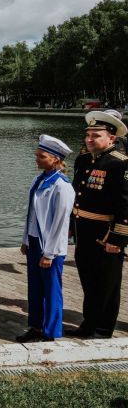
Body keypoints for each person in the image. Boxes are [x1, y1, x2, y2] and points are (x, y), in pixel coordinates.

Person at [68, 111, 128, 339]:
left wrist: (118, 239)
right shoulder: (83, 160)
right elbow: (77, 195)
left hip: (106, 234)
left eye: (96, 135)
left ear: (111, 138)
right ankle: (88, 324)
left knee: (107, 285)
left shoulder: (120, 165)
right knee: (88, 281)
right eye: (88, 135)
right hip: (84, 231)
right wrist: (71, 226)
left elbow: (126, 206)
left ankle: (103, 331)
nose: (90, 139)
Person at [16, 135, 74, 343]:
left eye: (41, 156)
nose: (37, 159)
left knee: (51, 290)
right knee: (35, 288)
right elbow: (32, 214)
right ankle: (36, 326)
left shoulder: (62, 186)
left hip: (50, 246)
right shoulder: (39, 179)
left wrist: (49, 253)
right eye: (37, 155)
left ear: (55, 159)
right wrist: (25, 239)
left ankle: (51, 332)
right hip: (34, 242)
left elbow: (60, 224)